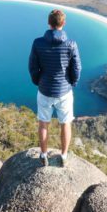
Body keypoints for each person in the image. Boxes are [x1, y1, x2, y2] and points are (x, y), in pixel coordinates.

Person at [28, 9, 81, 167]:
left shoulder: (38, 43)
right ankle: (63, 156)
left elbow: (32, 67)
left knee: (43, 123)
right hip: (64, 91)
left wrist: (38, 81)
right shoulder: (71, 44)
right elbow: (77, 68)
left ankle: (43, 155)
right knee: (65, 123)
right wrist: (72, 83)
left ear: (49, 23)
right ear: (63, 24)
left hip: (44, 90)